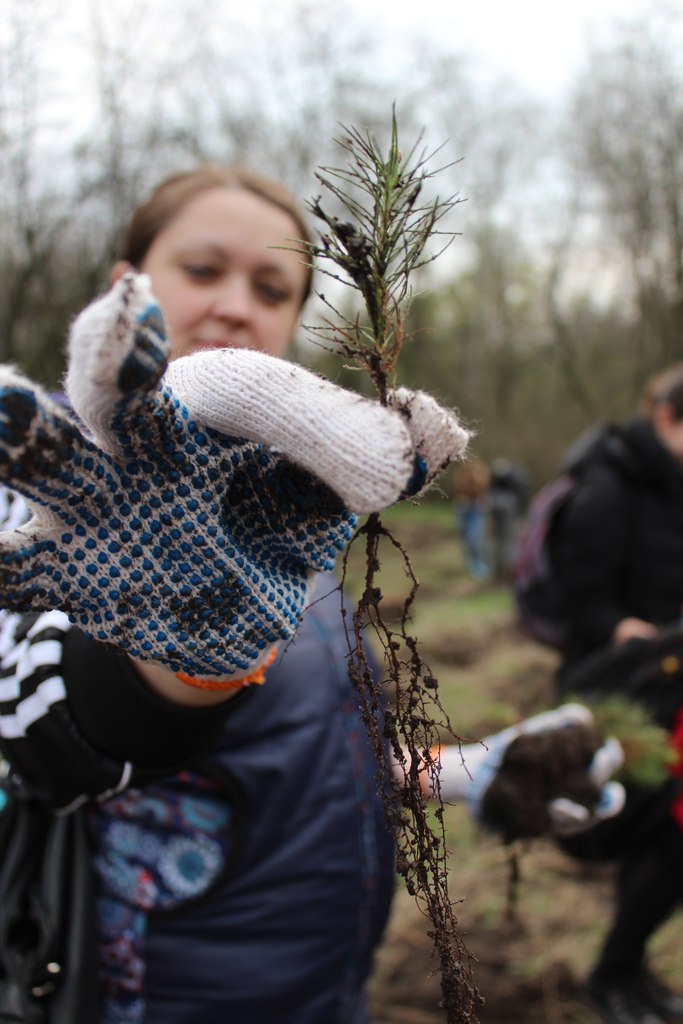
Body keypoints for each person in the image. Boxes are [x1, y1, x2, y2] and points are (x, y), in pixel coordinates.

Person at [0, 164, 624, 1024]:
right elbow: (48, 743)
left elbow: (303, 751)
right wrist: (190, 661)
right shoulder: (37, 509)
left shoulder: (287, 517)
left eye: (271, 287)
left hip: (327, 991)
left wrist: (464, 775)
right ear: (124, 287)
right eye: (203, 269)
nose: (235, 305)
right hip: (154, 995)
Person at [550, 363, 683, 1024]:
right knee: (639, 828)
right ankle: (612, 974)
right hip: (617, 690)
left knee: (671, 831)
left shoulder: (672, 481)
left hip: (672, 685)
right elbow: (578, 598)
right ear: (666, 418)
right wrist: (619, 629)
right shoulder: (607, 485)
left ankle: (623, 968)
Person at [451, 457, 491, 581]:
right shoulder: (461, 475)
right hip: (464, 507)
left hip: (476, 509)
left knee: (475, 537)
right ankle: (470, 563)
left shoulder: (482, 474)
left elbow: (484, 489)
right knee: (465, 537)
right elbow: (456, 489)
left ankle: (479, 565)